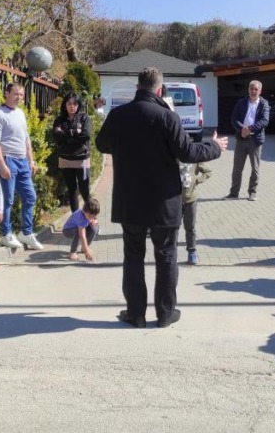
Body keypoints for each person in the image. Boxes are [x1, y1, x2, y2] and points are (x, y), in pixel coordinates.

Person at [96, 67, 227, 329]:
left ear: (137, 88)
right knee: (166, 256)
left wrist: (124, 147)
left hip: (130, 199)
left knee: (133, 255)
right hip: (163, 201)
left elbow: (101, 145)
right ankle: (166, 314)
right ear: (159, 90)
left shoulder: (118, 115)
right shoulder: (168, 117)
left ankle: (136, 314)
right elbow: (188, 152)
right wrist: (214, 146)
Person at [0, 82, 42, 250]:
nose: (19, 97)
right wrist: (2, 165)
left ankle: (26, 233)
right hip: (7, 160)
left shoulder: (20, 113)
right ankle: (6, 234)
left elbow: (26, 139)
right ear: (6, 93)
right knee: (8, 200)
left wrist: (31, 160)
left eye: (21, 94)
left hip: (22, 162)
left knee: (30, 197)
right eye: (16, 94)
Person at [227, 80, 268, 201]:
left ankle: (252, 192)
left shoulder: (264, 104)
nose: (253, 91)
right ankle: (234, 193)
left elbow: (264, 120)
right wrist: (242, 129)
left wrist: (249, 129)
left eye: (256, 89)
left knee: (255, 169)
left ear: (260, 91)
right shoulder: (241, 102)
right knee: (237, 168)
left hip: (255, 140)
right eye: (251, 89)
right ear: (248, 90)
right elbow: (234, 118)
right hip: (241, 138)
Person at [52, 92, 93, 212]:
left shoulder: (84, 118)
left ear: (78, 105)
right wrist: (74, 132)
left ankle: (91, 216)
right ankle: (76, 218)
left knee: (84, 190)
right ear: (65, 105)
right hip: (66, 160)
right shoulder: (59, 120)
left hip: (82, 159)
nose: (72, 106)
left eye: (74, 104)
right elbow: (56, 135)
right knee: (72, 190)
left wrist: (66, 135)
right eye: (69, 103)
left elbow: (86, 135)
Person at [181, 161, 211, 265]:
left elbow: (208, 172)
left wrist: (197, 180)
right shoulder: (173, 156)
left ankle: (192, 252)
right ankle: (172, 252)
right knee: (172, 228)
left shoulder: (195, 159)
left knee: (190, 228)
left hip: (191, 200)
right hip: (175, 200)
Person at [64, 198, 101, 262]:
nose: (91, 217)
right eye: (89, 216)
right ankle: (72, 252)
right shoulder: (80, 217)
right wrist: (87, 252)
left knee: (95, 228)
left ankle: (84, 248)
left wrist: (95, 220)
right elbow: (82, 236)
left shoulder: (88, 212)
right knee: (78, 232)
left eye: (94, 215)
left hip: (78, 227)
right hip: (68, 230)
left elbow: (93, 217)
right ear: (84, 211)